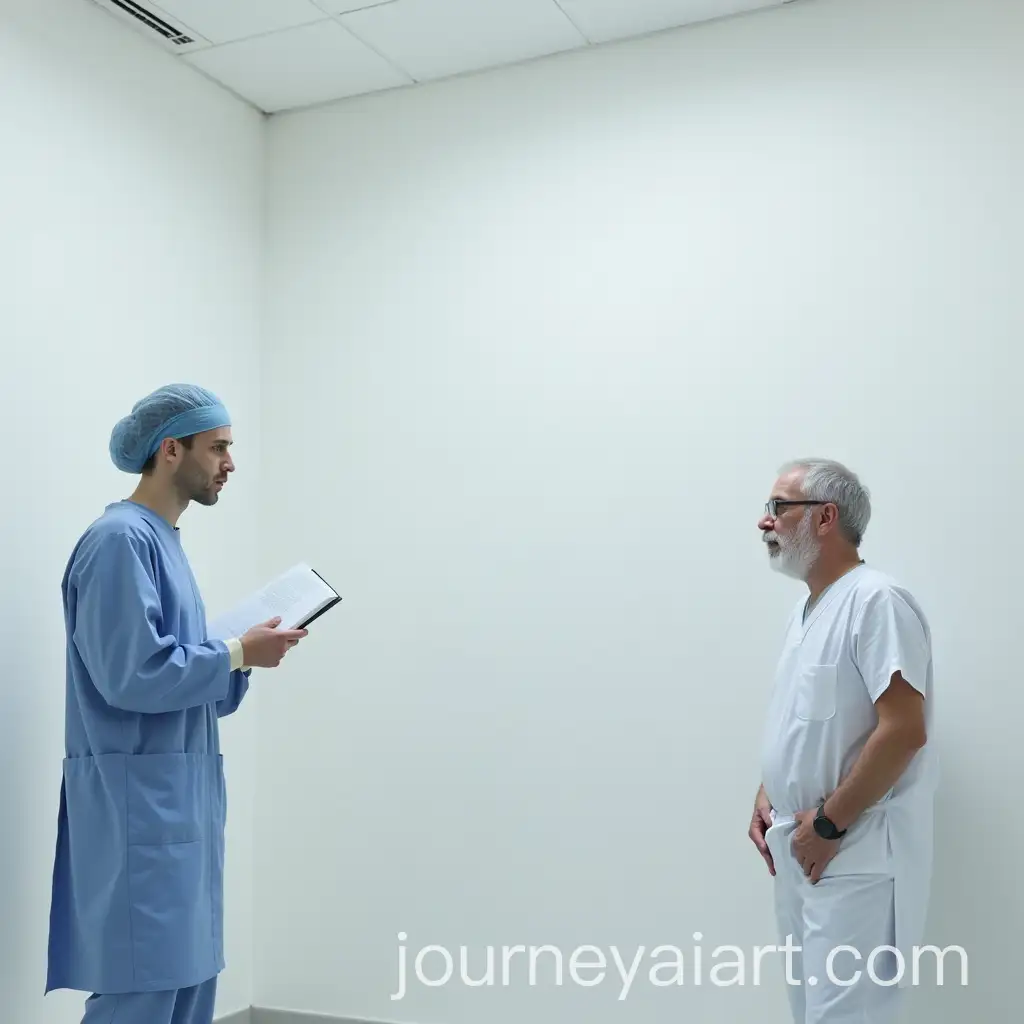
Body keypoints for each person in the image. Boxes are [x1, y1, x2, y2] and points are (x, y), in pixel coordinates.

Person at [45, 384, 308, 1024]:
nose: (230, 462)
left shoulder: (163, 541)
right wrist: (238, 654)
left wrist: (245, 654)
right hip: (139, 810)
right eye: (217, 447)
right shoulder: (118, 541)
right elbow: (131, 676)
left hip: (179, 803)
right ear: (171, 450)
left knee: (188, 986)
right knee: (142, 990)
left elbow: (177, 686)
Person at [749, 458, 937, 1024]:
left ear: (825, 517)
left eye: (779, 508)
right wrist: (769, 792)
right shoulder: (807, 611)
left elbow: (905, 730)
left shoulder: (876, 601)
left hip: (851, 853)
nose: (766, 522)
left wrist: (828, 824)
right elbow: (810, 721)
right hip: (804, 849)